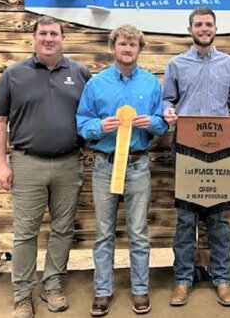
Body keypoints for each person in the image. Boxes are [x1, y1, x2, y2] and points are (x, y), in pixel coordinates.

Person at [0, 15, 91, 318]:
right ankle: (22, 296)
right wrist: (0, 164)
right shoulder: (13, 75)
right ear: (33, 38)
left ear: (63, 39)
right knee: (25, 233)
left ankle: (53, 285)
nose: (49, 38)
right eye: (43, 33)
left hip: (68, 163)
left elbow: (91, 116)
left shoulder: (81, 73)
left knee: (62, 229)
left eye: (55, 34)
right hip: (27, 163)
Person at [162, 6, 230, 307]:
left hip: (222, 149)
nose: (204, 28)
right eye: (199, 24)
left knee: (219, 219)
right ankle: (182, 280)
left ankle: (223, 279)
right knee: (186, 219)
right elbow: (168, 101)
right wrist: (169, 112)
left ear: (216, 28)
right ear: (190, 29)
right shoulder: (176, 64)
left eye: (209, 24)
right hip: (187, 148)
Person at [77, 24, 168, 316]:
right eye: (122, 44)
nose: (127, 49)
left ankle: (140, 290)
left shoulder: (152, 84)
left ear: (139, 49)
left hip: (139, 165)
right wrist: (98, 126)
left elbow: (163, 123)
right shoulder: (96, 84)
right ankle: (103, 291)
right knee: (104, 232)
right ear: (113, 47)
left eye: (132, 44)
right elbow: (82, 124)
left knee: (138, 232)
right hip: (104, 165)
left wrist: (151, 123)